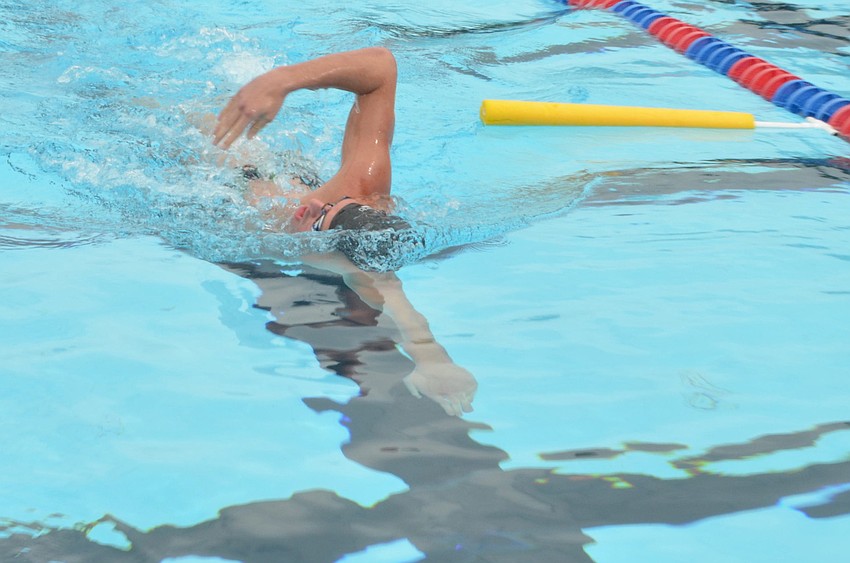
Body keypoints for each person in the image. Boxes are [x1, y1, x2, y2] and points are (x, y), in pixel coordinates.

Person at [213, 47, 476, 415]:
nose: (313, 205)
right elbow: (381, 64)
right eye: (333, 203)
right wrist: (281, 80)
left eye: (320, 219)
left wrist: (433, 360)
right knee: (212, 135)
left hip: (249, 185)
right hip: (256, 172)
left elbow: (388, 288)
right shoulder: (362, 186)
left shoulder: (264, 227)